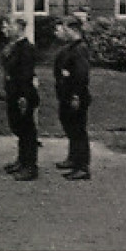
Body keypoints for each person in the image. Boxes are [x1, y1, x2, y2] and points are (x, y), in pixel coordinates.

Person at [0, 16, 40, 180]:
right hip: (14, 92)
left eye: (10, 26)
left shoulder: (26, 48)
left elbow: (26, 74)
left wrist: (24, 96)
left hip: (23, 93)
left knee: (27, 129)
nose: (7, 29)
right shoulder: (14, 47)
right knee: (19, 127)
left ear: (19, 28)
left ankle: (30, 166)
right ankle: (22, 160)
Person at [54, 15, 92, 180]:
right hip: (67, 93)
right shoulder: (71, 48)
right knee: (70, 127)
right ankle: (73, 158)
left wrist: (76, 95)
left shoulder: (80, 49)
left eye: (66, 28)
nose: (64, 31)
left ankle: (82, 166)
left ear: (74, 30)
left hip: (75, 95)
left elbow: (81, 75)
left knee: (77, 130)